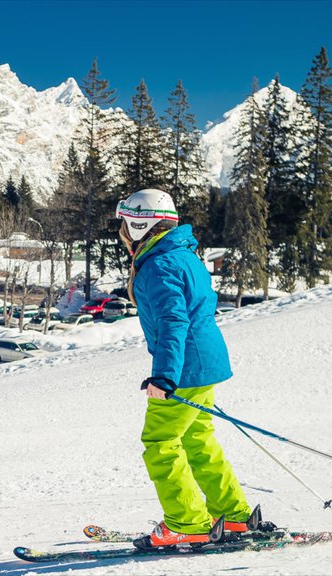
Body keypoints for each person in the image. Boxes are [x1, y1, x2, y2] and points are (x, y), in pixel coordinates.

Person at [115, 188, 265, 549]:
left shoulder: (159, 265)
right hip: (204, 362)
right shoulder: (182, 254)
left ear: (139, 226)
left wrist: (165, 375)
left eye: (125, 223)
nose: (121, 229)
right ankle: (234, 515)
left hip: (184, 367)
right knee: (197, 440)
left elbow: (173, 321)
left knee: (161, 442)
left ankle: (187, 523)